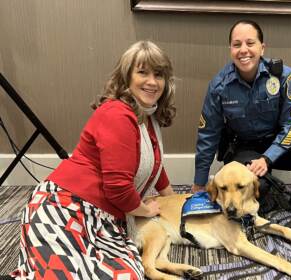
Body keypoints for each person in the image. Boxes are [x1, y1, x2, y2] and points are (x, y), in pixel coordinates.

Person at [11, 40, 176, 279]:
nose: (152, 82)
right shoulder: (118, 114)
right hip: (64, 208)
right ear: (126, 77)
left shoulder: (148, 118)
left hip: (104, 216)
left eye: (159, 75)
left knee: (127, 274)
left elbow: (154, 166)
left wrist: (174, 202)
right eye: (143, 72)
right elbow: (118, 188)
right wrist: (145, 210)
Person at [192, 20, 291, 220]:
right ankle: (265, 191)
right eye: (237, 44)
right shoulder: (219, 86)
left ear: (262, 47)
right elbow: (208, 134)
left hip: (279, 144)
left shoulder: (284, 76)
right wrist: (199, 182)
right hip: (244, 148)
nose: (244, 50)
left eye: (250, 43)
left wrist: (268, 158)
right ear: (230, 49)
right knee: (260, 191)